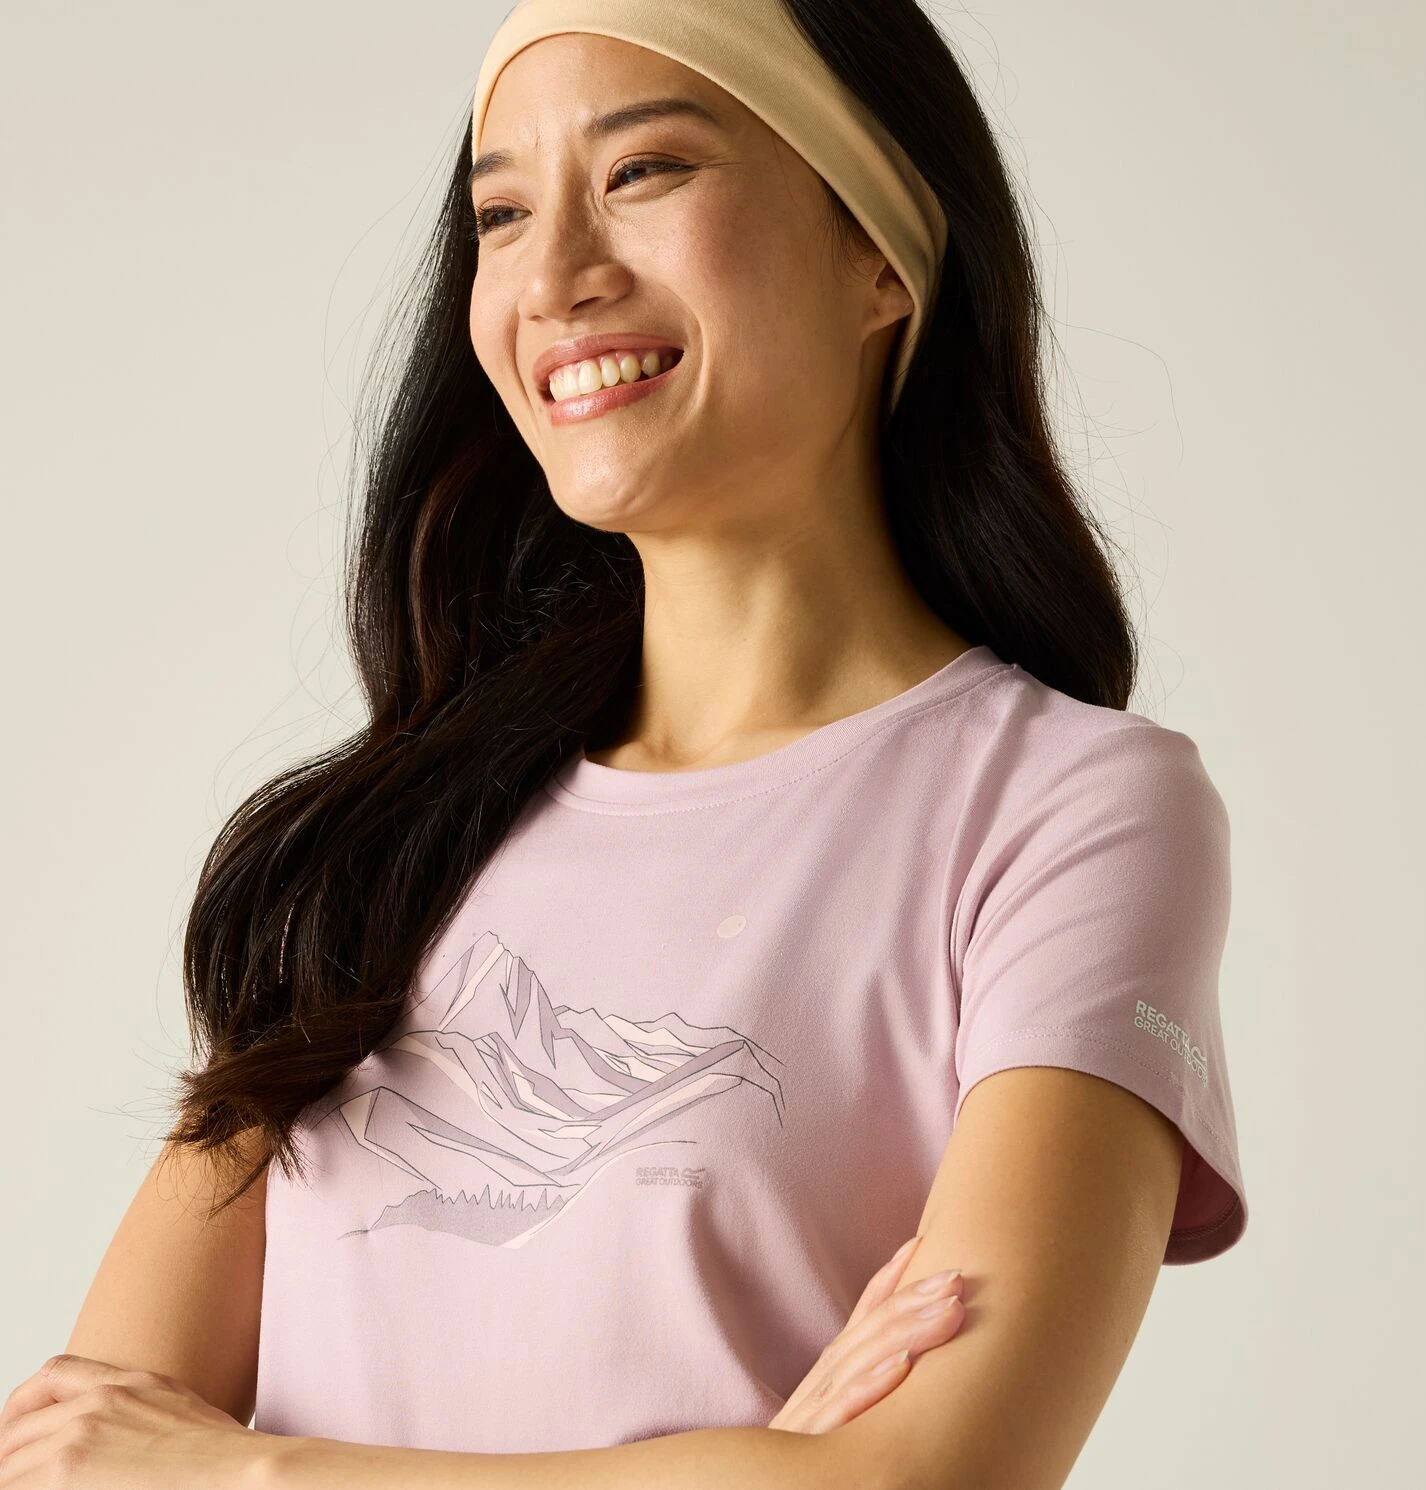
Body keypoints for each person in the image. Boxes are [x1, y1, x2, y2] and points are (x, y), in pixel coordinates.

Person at [0, 2, 1248, 1486]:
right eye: (502, 215)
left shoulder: (1067, 808)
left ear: (880, 254)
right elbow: (75, 1458)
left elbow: (929, 1474)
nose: (553, 278)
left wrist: (249, 1470)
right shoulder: (381, 850)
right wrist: (743, 1466)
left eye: (644, 170)